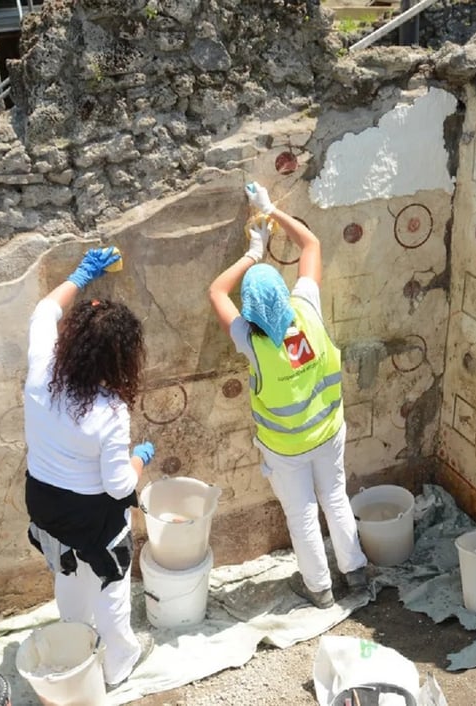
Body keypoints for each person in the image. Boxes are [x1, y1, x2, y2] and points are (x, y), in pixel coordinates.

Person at [208, 182, 368, 609]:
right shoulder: (306, 307)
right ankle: (356, 575)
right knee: (335, 498)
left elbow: (216, 293)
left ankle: (319, 590)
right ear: (282, 293)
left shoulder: (251, 341)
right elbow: (311, 243)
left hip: (286, 448)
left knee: (301, 515)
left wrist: (252, 253)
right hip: (329, 431)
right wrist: (271, 210)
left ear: (251, 310)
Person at [23, 246, 154, 691]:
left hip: (45, 504)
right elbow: (118, 487)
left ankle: (73, 644)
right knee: (112, 591)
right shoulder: (110, 412)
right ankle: (119, 664)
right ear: (118, 360)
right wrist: (142, 458)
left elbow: (43, 312)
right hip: (93, 517)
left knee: (68, 575)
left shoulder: (41, 371)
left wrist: (81, 275)